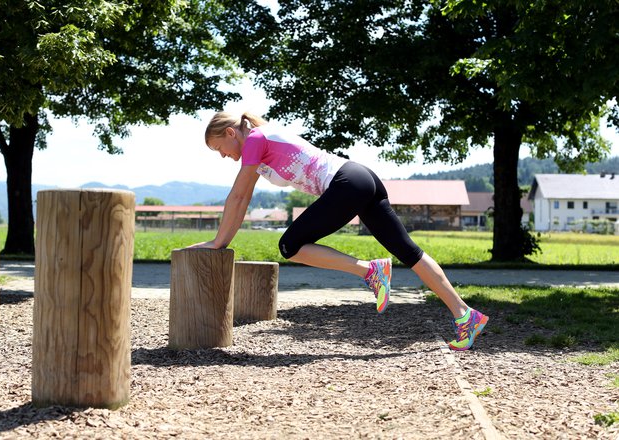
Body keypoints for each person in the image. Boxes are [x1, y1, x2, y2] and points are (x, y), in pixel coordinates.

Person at [189, 111, 488, 351]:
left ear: (230, 133)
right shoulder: (260, 140)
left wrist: (218, 242)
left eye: (219, 148)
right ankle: (465, 315)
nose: (222, 156)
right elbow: (242, 198)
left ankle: (370, 271)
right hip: (360, 177)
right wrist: (220, 240)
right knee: (409, 252)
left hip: (347, 182)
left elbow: (239, 196)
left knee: (290, 246)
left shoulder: (254, 138)